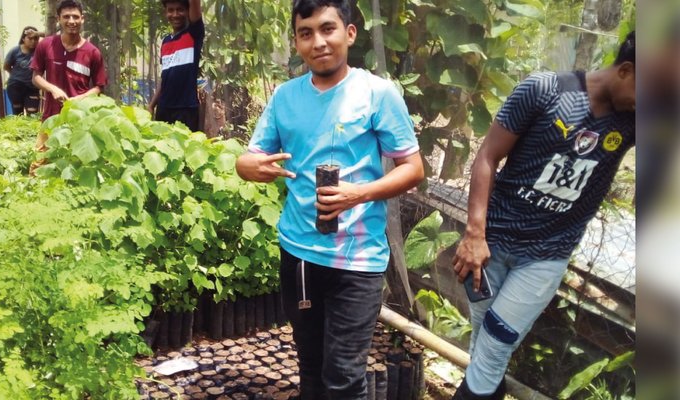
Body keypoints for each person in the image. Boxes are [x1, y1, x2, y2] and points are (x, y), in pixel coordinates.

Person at [235, 1, 425, 398]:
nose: (318, 42)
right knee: (310, 367)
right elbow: (250, 157)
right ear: (297, 41)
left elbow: (413, 168)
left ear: (349, 33)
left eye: (328, 29)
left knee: (344, 377)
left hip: (357, 261)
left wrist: (360, 193)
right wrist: (247, 166)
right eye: (306, 33)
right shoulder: (286, 97)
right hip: (300, 254)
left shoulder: (377, 93)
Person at [450, 31, 635, 400]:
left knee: (495, 344)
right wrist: (474, 234)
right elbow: (487, 156)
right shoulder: (546, 90)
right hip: (491, 244)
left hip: (546, 255)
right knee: (486, 348)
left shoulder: (634, 120)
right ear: (627, 71)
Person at [29, 0, 107, 174]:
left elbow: (99, 87)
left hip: (79, 119)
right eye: (66, 17)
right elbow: (36, 77)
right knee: (38, 164)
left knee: (74, 166)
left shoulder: (93, 52)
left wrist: (80, 98)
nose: (71, 21)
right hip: (51, 117)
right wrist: (53, 89)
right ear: (58, 19)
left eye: (75, 17)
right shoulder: (46, 45)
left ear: (82, 19)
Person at [148, 0, 203, 132]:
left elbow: (195, 3)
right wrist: (152, 105)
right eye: (171, 10)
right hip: (164, 109)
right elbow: (165, 78)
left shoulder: (193, 34)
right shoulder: (166, 42)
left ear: (188, 11)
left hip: (186, 110)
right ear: (165, 12)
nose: (175, 14)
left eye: (180, 9)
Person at [3, 26, 42, 116]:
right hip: (15, 87)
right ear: (23, 39)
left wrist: (37, 33)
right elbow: (6, 66)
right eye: (30, 38)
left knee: (33, 114)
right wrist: (16, 76)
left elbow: (51, 36)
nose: (33, 41)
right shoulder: (15, 51)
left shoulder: (39, 51)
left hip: (32, 87)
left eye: (36, 38)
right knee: (17, 114)